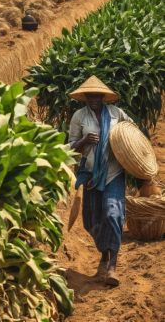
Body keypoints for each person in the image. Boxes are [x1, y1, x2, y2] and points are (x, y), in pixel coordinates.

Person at [68, 75, 132, 287]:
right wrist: (84, 141)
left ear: (103, 96)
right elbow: (69, 147)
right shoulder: (79, 116)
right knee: (91, 221)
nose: (94, 98)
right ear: (85, 97)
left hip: (113, 172)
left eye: (97, 95)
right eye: (90, 95)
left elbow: (132, 132)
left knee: (113, 214)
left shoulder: (116, 114)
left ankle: (112, 266)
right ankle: (104, 254)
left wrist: (123, 145)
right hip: (91, 176)